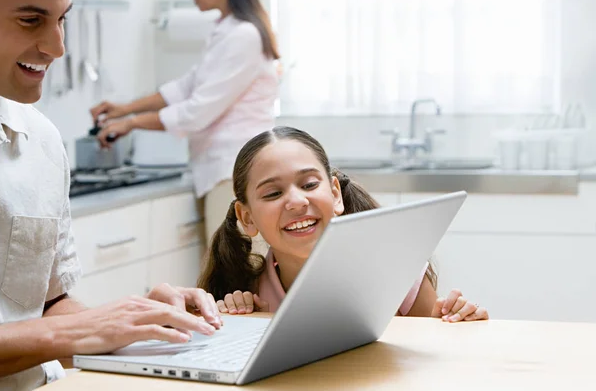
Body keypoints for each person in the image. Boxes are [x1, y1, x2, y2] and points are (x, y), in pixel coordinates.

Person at [0, 0, 221, 391]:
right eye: (31, 20)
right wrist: (75, 332)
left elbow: (46, 305)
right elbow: (56, 331)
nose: (58, 47)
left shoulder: (42, 141)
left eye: (62, 20)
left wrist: (139, 321)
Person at [198, 126, 490, 323]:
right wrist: (234, 325)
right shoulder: (249, 297)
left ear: (335, 194)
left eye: (309, 184)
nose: (296, 201)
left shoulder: (396, 271)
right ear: (247, 217)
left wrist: (457, 320)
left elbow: (435, 354)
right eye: (274, 193)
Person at [90, 0, 280, 249]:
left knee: (236, 273)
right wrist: (123, 110)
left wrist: (131, 123)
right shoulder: (228, 31)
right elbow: (183, 88)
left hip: (233, 171)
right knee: (229, 272)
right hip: (221, 172)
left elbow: (196, 112)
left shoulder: (243, 36)